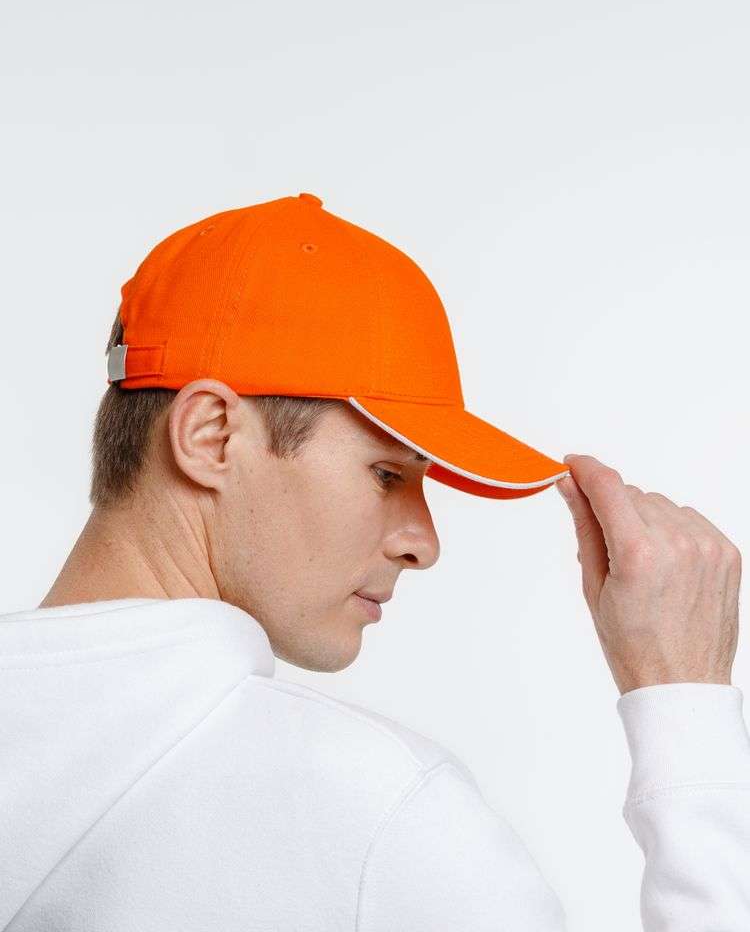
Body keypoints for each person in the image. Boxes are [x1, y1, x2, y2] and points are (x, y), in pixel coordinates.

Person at [1, 193, 747, 931]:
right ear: (211, 436)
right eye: (388, 474)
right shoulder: (374, 814)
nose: (424, 543)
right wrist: (685, 704)